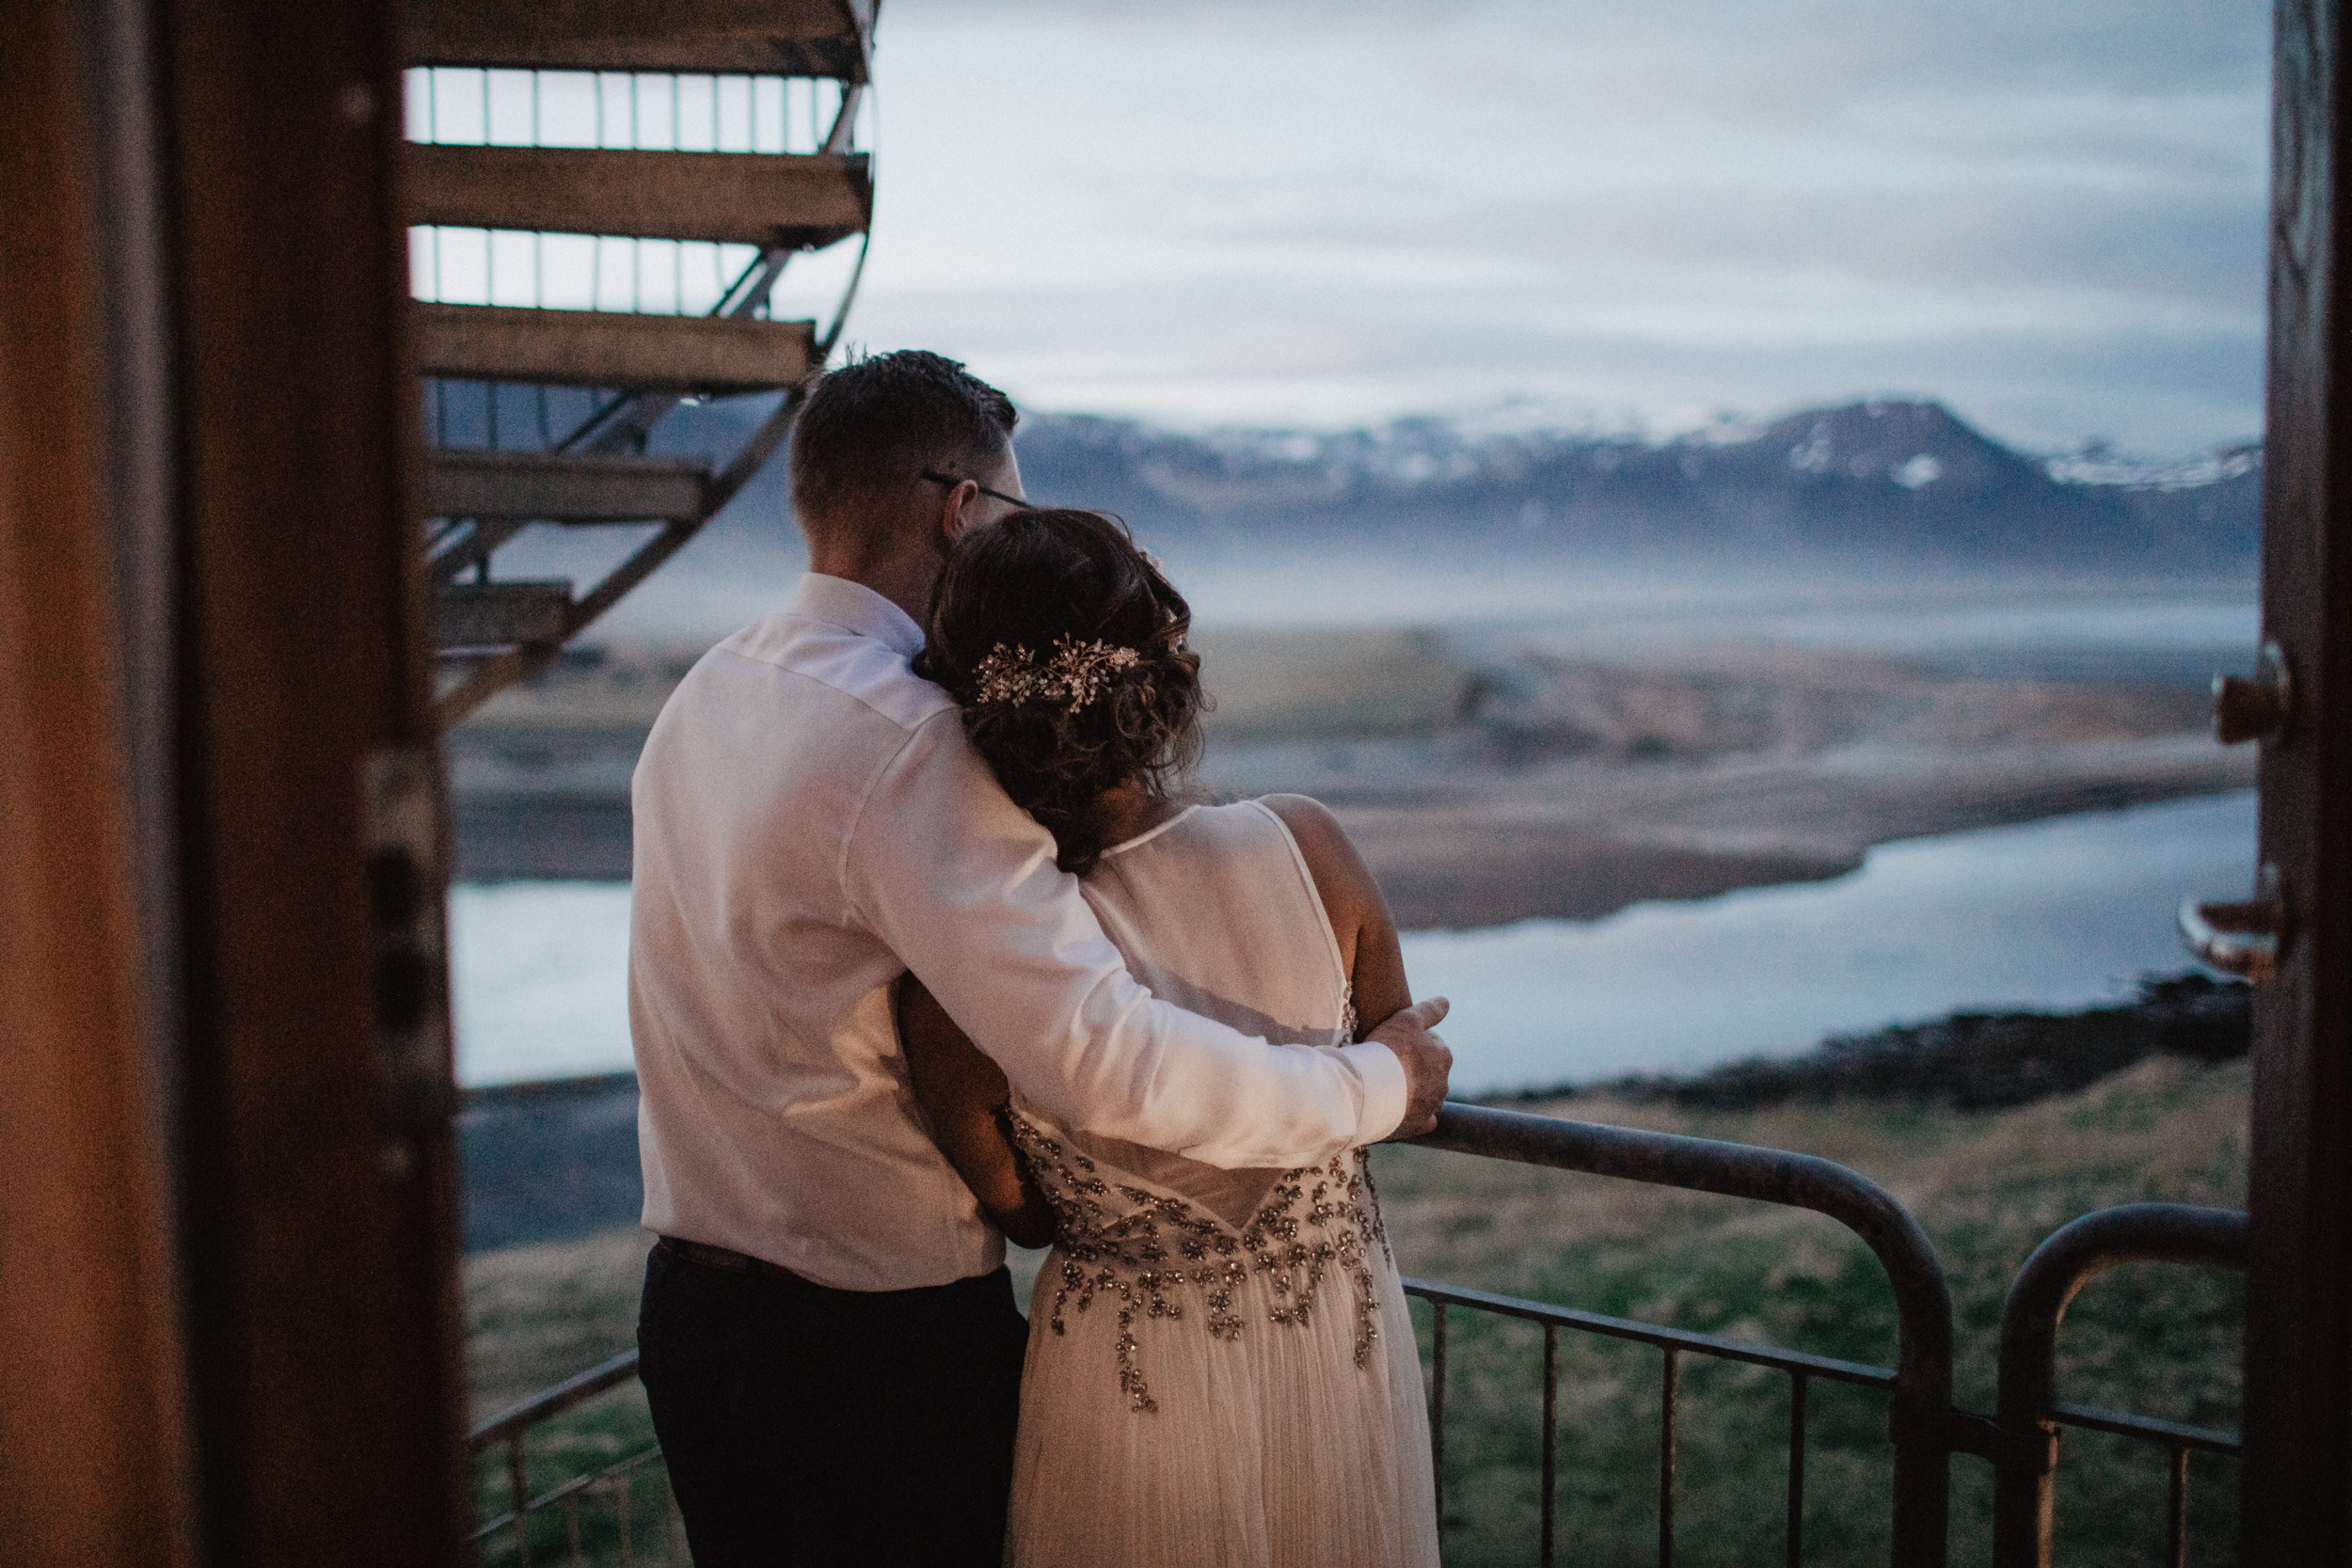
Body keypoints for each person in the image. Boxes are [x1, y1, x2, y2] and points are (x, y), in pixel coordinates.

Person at [627, 351, 1453, 1567]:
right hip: (874, 1349)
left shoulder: (711, 689)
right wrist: (1376, 1084)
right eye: (1010, 507)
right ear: (962, 508)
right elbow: (1101, 1054)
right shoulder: (909, 740)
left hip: (693, 1320)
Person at [898, 508, 1441, 1567]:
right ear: (1161, 675)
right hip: (1338, 1345)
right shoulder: (1309, 847)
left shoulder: (959, 982)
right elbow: (1401, 1080)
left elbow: (1024, 1216)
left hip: (1129, 1382)